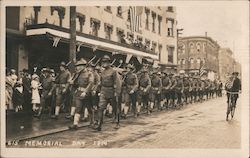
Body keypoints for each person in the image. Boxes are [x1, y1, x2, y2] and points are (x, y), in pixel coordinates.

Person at [94, 55, 121, 131]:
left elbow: (117, 83)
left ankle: (117, 122)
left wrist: (116, 92)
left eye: (106, 62)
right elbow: (100, 82)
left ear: (109, 63)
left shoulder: (113, 71)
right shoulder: (102, 72)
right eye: (103, 62)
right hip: (103, 91)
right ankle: (99, 125)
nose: (104, 63)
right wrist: (98, 90)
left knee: (115, 108)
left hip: (112, 91)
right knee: (101, 108)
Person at [68, 59, 94, 130]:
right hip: (79, 93)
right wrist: (72, 83)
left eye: (79, 66)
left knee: (89, 108)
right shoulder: (77, 74)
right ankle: (75, 124)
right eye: (77, 66)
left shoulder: (89, 73)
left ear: (83, 66)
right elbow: (76, 84)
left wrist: (85, 92)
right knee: (78, 108)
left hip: (87, 94)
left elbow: (91, 83)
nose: (78, 67)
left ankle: (92, 121)